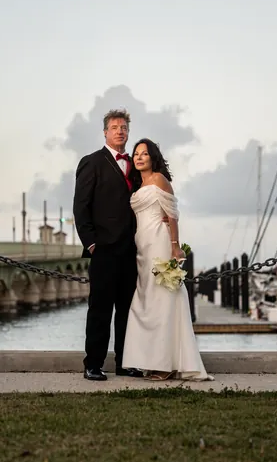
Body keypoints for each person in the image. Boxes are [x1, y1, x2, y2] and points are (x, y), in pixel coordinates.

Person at [121, 138, 213, 381]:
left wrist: (174, 247)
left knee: (163, 301)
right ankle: (151, 360)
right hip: (142, 246)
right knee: (145, 303)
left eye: (144, 154)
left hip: (160, 244)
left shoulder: (160, 180)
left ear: (153, 157)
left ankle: (166, 364)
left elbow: (172, 215)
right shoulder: (135, 186)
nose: (139, 157)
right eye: (136, 154)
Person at [72, 108, 145, 381]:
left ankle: (125, 362)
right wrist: (91, 244)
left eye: (124, 127)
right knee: (100, 309)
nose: (120, 131)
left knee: (128, 310)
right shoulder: (92, 162)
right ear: (105, 132)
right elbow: (81, 207)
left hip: (131, 251)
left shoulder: (136, 166)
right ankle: (93, 364)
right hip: (103, 249)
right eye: (114, 127)